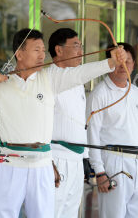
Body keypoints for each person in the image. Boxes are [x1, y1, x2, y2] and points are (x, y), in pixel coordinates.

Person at [0, 28, 126, 218]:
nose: (42, 55)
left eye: (43, 50)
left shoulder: (49, 78)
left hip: (42, 163)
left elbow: (79, 73)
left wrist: (111, 62)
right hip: (10, 161)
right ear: (19, 54)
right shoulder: (1, 84)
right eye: (36, 50)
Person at [86, 43, 138, 218]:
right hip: (114, 163)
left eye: (127, 61)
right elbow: (92, 135)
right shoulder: (99, 94)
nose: (123, 66)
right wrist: (100, 172)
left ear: (133, 64)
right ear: (109, 63)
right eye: (117, 61)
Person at [48, 28, 88, 218]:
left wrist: (86, 158)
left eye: (81, 47)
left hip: (76, 159)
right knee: (52, 212)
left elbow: (81, 121)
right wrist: (48, 161)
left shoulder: (77, 80)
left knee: (71, 213)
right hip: (56, 157)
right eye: (76, 47)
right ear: (59, 50)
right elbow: (41, 124)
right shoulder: (48, 78)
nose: (81, 52)